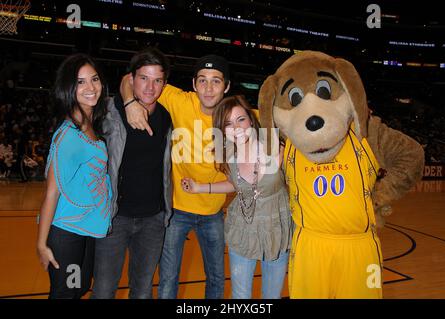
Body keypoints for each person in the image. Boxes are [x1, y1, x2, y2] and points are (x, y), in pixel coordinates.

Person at [121, 55, 230, 299]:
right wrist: (129, 103)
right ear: (193, 84)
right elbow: (129, 79)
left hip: (213, 213)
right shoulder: (179, 100)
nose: (209, 88)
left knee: (215, 278)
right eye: (202, 81)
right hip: (176, 211)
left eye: (216, 81)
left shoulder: (235, 116)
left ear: (227, 86)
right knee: (168, 279)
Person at [181, 95, 293, 299]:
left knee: (271, 296)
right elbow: (236, 184)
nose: (237, 128)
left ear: (251, 119)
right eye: (228, 124)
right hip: (242, 229)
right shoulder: (228, 153)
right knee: (240, 296)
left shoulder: (276, 147)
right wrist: (200, 187)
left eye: (240, 119)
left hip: (276, 228)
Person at [90, 47, 173, 299]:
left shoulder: (167, 118)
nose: (150, 87)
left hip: (153, 220)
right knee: (104, 291)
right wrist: (127, 101)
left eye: (157, 80)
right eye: (144, 78)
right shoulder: (109, 110)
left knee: (143, 290)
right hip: (115, 218)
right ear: (131, 79)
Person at [36, 54, 112, 299]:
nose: (90, 88)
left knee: (78, 287)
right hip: (66, 230)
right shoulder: (68, 136)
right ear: (69, 88)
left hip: (86, 226)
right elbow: (51, 192)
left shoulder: (91, 124)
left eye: (94, 79)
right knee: (66, 293)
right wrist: (42, 244)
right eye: (80, 82)